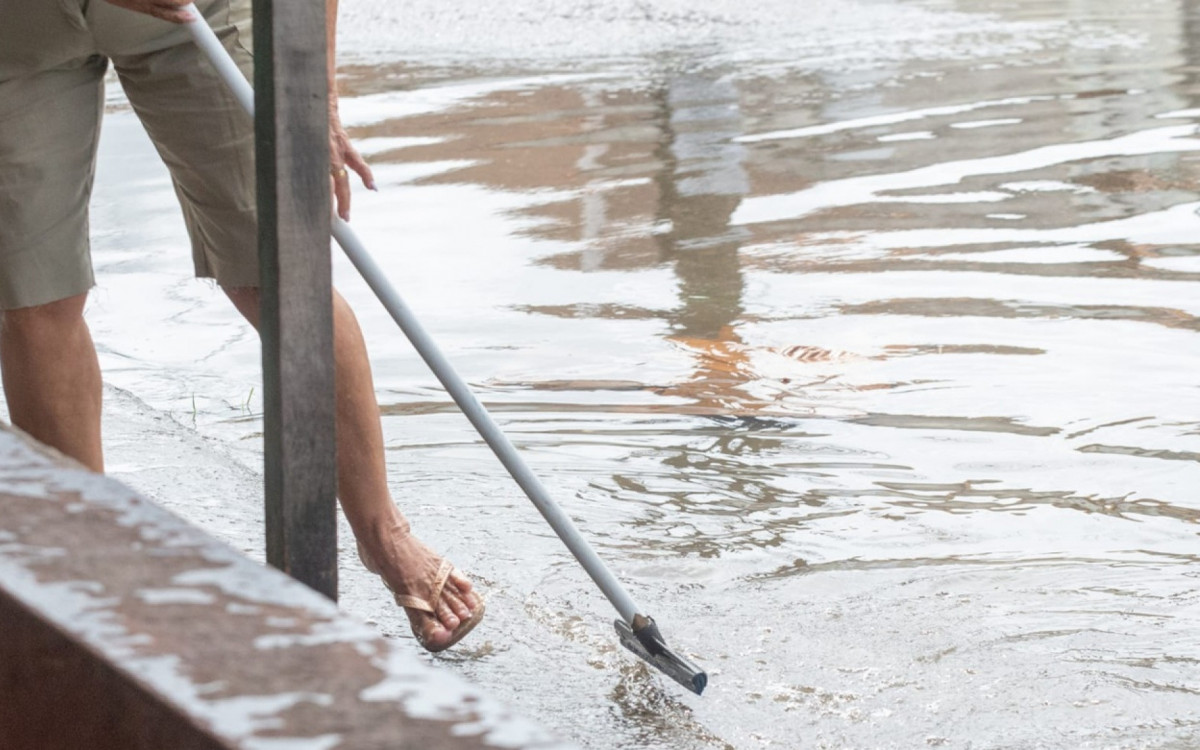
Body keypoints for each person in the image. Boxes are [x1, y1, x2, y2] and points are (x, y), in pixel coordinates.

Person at [0, 0, 485, 652]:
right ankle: (91, 569)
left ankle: (384, 535)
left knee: (281, 273)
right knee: (33, 298)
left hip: (195, 13)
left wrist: (317, 98)